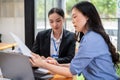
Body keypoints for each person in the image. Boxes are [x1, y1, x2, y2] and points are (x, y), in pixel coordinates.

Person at [30, 1, 120, 80]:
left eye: (75, 17)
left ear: (87, 16)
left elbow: (71, 72)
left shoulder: (91, 39)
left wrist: (43, 64)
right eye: (72, 18)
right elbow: (76, 66)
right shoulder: (90, 36)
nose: (73, 21)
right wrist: (57, 65)